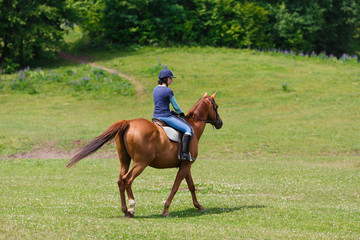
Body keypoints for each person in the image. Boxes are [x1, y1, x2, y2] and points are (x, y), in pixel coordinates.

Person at [153, 69, 193, 161]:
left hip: (156, 116)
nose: (172, 80)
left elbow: (160, 104)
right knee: (188, 129)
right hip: (166, 117)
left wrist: (170, 111)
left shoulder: (155, 89)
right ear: (165, 79)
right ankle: (184, 154)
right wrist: (181, 113)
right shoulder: (168, 91)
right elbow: (176, 106)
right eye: (170, 78)